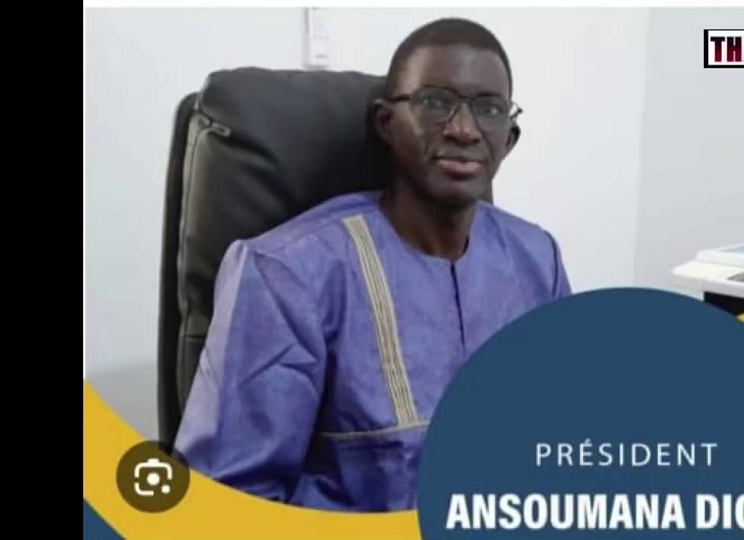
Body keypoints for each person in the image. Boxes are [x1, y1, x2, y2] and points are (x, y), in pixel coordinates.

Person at [174, 17, 571, 512]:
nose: (464, 129)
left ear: (508, 139)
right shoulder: (286, 273)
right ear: (386, 123)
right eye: (435, 102)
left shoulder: (537, 259)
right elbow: (230, 505)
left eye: (488, 108)